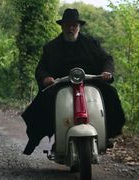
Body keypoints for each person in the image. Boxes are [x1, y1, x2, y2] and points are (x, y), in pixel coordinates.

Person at [21, 8, 125, 155]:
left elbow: (107, 59)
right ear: (62, 26)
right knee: (44, 102)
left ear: (79, 27)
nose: (71, 28)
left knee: (110, 93)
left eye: (74, 25)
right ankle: (55, 137)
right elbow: (41, 69)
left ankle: (108, 134)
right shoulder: (51, 47)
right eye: (68, 25)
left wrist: (106, 72)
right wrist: (46, 78)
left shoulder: (90, 43)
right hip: (60, 83)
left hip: (90, 81)